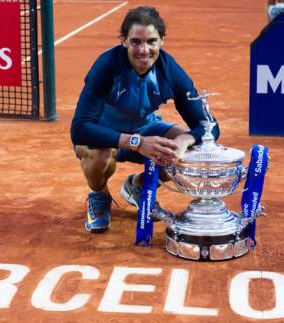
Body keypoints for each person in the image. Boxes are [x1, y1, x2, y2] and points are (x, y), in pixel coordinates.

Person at [70, 6, 220, 233]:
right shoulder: (107, 66)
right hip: (105, 135)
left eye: (151, 41)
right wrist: (136, 142)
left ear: (162, 40)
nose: (144, 50)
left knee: (189, 152)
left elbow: (209, 127)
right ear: (123, 41)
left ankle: (138, 186)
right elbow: (80, 129)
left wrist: (184, 142)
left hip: (145, 128)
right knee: (99, 155)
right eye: (135, 42)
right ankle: (99, 195)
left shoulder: (170, 71)